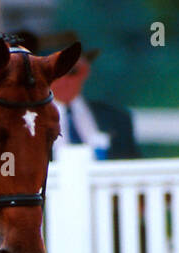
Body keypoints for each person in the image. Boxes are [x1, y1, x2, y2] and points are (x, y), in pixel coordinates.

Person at [47, 31, 139, 159]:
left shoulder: (117, 119)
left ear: (85, 71)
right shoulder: (26, 122)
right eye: (56, 71)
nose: (64, 79)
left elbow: (132, 168)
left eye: (72, 71)